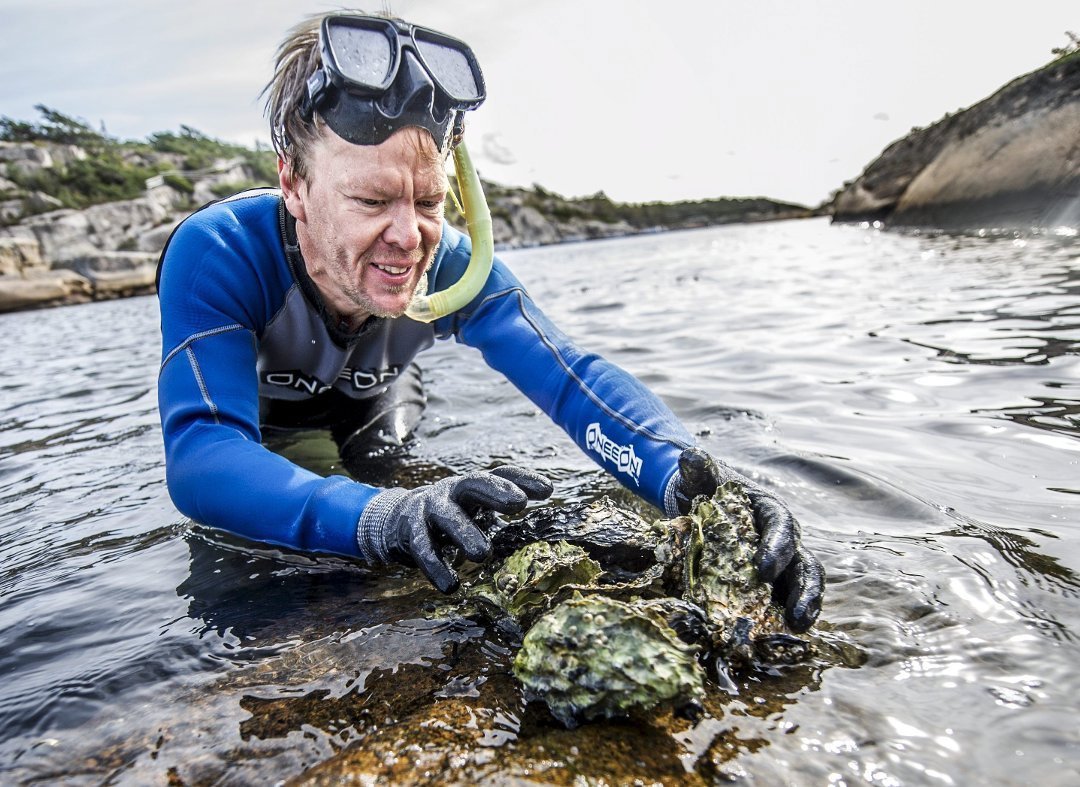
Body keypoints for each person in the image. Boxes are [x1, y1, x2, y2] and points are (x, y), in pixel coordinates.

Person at [156, 12, 824, 631]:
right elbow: (203, 455)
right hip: (269, 435)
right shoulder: (218, 254)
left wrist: (696, 490)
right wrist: (378, 517)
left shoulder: (453, 263)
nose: (408, 236)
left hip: (378, 405)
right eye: (370, 199)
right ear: (295, 186)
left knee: (405, 485)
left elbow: (571, 379)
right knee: (298, 581)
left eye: (428, 200)